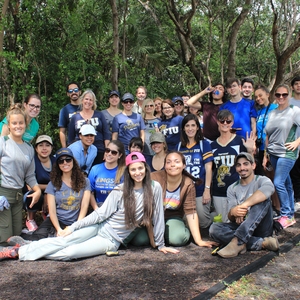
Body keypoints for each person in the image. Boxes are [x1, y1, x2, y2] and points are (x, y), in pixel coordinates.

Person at [0, 152, 179, 261]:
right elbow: (100, 214)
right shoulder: (120, 190)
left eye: (140, 168)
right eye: (133, 169)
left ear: (146, 169)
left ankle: (23, 251)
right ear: (129, 172)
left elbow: (157, 216)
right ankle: (19, 251)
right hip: (98, 227)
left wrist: (161, 244)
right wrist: (73, 227)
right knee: (65, 239)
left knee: (70, 253)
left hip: (110, 240)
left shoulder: (154, 188)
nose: (137, 172)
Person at [132, 151, 217, 248]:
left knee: (179, 239)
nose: (172, 165)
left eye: (177, 161)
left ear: (184, 165)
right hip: (151, 218)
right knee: (139, 240)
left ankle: (176, 229)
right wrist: (153, 239)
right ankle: (161, 233)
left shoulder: (188, 183)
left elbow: (191, 212)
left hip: (172, 216)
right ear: (164, 165)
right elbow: (147, 208)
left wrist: (199, 240)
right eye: (168, 162)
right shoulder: (153, 178)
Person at [8, 148, 90, 244]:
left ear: (73, 161)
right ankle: (22, 242)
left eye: (68, 159)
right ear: (58, 165)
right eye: (61, 161)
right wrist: (58, 229)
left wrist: (75, 226)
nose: (65, 163)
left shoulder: (85, 181)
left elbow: (84, 206)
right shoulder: (53, 184)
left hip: (77, 221)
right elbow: (52, 211)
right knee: (38, 237)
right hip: (57, 220)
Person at [209, 152, 279, 258]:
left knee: (263, 199)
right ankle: (262, 243)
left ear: (253, 165)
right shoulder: (232, 188)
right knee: (214, 229)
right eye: (238, 165)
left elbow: (268, 189)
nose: (242, 168)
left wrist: (244, 205)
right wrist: (233, 212)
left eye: (246, 164)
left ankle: (238, 241)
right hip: (242, 226)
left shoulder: (262, 180)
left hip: (262, 227)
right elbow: (231, 217)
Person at [0, 105, 41, 246]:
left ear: (25, 124)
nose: (18, 126)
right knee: (5, 240)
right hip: (2, 195)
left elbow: (30, 175)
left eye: (21, 123)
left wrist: (38, 190)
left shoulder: (29, 148)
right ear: (9, 125)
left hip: (17, 197)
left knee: (16, 236)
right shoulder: (2, 143)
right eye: (14, 123)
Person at [263, 84, 300, 229]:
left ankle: (286, 214)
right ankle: (290, 213)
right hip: (273, 152)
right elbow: (268, 134)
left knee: (278, 183)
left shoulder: (294, 111)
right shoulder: (273, 113)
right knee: (286, 183)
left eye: (284, 95)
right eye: (278, 95)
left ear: (289, 95)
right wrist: (266, 154)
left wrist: (297, 142)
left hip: (287, 153)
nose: (281, 97)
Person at [211, 110, 256, 222]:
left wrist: (250, 151)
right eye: (222, 121)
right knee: (224, 221)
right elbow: (211, 169)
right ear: (218, 122)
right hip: (219, 191)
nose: (225, 123)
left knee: (240, 220)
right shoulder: (212, 145)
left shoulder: (239, 141)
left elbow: (249, 165)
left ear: (232, 123)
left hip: (238, 189)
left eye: (228, 121)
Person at [177, 114, 214, 228]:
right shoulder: (179, 146)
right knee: (188, 223)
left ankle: (216, 215)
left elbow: (209, 169)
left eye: (193, 125)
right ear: (183, 128)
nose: (190, 128)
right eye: (187, 126)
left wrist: (207, 190)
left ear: (198, 127)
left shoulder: (204, 144)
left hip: (200, 189)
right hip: (185, 190)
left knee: (203, 223)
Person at [254, 85, 280, 214]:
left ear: (268, 94)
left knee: (276, 179)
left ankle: (280, 207)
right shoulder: (259, 112)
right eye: (256, 97)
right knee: (267, 179)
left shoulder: (275, 109)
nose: (258, 98)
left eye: (260, 95)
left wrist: (267, 152)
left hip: (272, 149)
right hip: (261, 149)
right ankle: (274, 206)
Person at [23, 135, 56, 233]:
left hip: (50, 192)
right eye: (41, 145)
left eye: (47, 145)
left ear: (52, 148)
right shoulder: (32, 161)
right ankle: (30, 219)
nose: (44, 148)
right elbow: (29, 185)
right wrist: (47, 189)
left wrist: (47, 193)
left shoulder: (56, 162)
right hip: (32, 191)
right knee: (33, 194)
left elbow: (58, 182)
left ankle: (49, 216)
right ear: (36, 149)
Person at [68, 90, 110, 165]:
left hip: (99, 150)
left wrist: (107, 151)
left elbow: (106, 134)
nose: (88, 101)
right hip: (80, 152)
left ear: (93, 102)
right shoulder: (75, 117)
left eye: (91, 100)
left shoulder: (99, 114)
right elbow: (70, 137)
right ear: (82, 100)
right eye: (86, 99)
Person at [88, 140, 126, 209]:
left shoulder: (124, 171)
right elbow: (90, 192)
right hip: (99, 207)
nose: (109, 154)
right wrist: (97, 210)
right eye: (107, 150)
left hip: (118, 208)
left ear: (120, 155)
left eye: (114, 152)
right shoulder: (95, 169)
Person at [58, 82, 81, 147]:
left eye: (76, 90)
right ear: (68, 94)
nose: (73, 92)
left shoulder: (86, 107)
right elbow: (62, 131)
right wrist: (65, 149)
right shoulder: (64, 110)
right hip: (73, 145)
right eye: (70, 91)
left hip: (89, 144)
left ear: (80, 92)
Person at [289, 76, 300, 209]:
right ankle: (297, 198)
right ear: (292, 87)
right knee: (295, 172)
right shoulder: (289, 102)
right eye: (296, 84)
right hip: (292, 143)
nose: (299, 86)